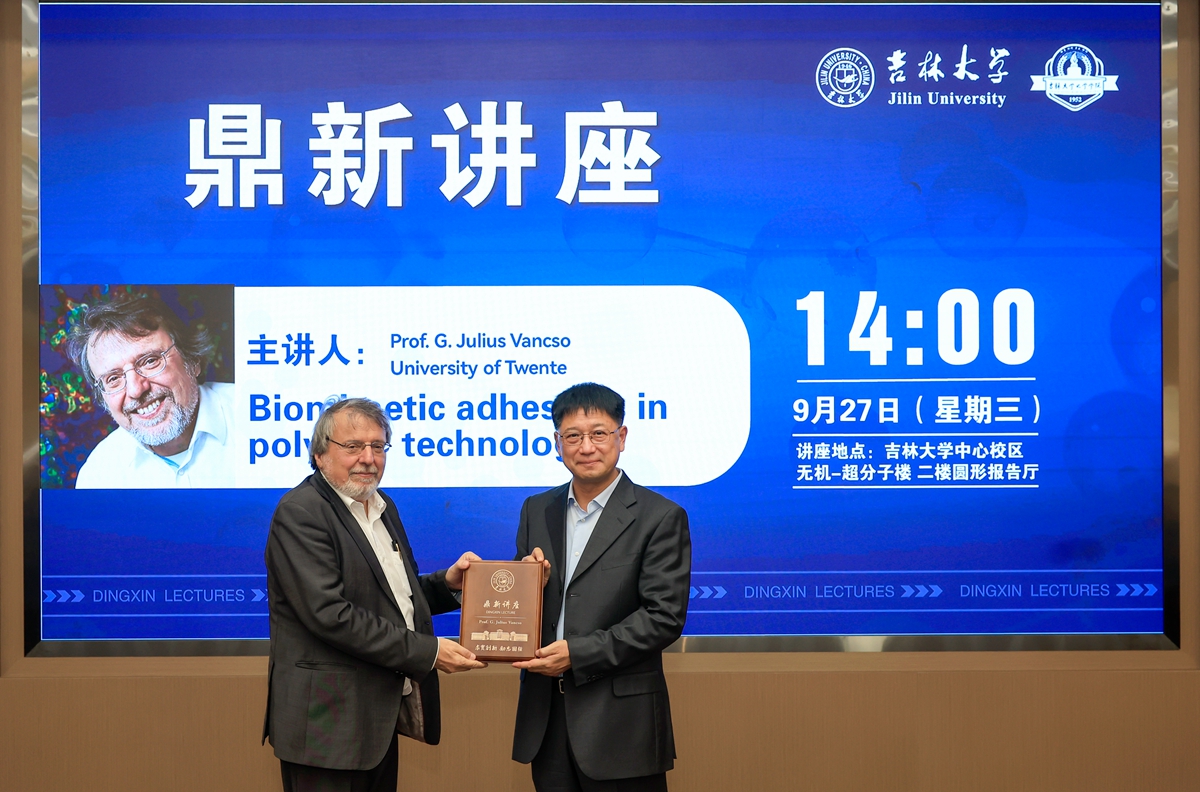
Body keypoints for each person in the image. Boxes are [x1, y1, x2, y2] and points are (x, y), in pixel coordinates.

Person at [263, 397, 486, 792]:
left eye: (378, 446)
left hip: (375, 721)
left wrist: (447, 584)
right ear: (319, 454)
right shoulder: (301, 512)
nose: (368, 458)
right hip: (326, 727)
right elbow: (331, 615)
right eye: (353, 446)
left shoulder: (382, 507)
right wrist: (429, 652)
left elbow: (394, 597)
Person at [512, 383, 692, 792]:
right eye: (573, 436)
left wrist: (578, 653)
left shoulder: (660, 517)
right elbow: (528, 605)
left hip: (621, 725)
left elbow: (663, 618)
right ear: (557, 442)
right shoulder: (536, 510)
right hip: (547, 719)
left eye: (599, 433)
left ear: (621, 437)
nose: (586, 447)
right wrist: (527, 584)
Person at [65, 292, 236, 487]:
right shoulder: (98, 476)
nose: (136, 390)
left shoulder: (258, 419)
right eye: (113, 379)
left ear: (192, 360)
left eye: (150, 361)